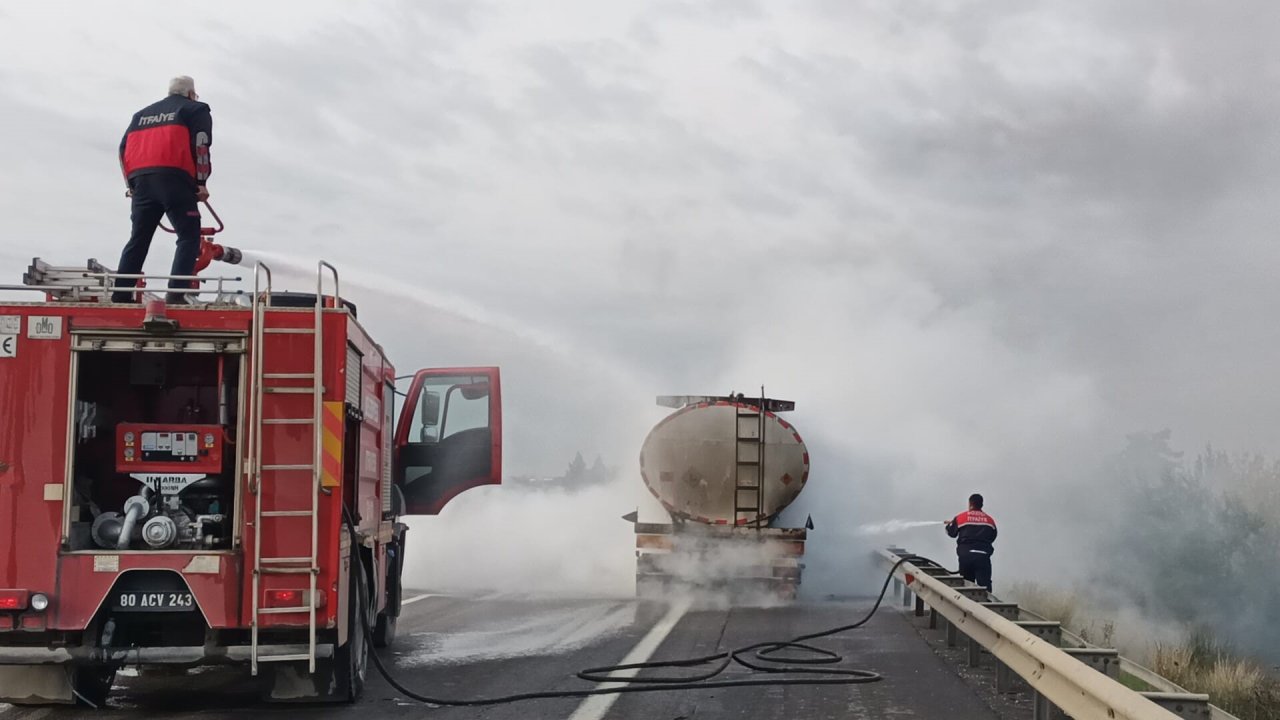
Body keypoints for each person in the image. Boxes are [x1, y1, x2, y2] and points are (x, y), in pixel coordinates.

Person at [112, 76, 212, 304]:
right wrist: (201, 182)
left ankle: (121, 294)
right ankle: (176, 295)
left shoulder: (140, 115)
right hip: (175, 179)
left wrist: (131, 186)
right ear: (190, 93)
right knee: (188, 236)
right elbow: (201, 144)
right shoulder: (195, 109)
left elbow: (122, 150)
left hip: (141, 183)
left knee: (139, 238)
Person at [945, 493, 997, 591]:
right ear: (982, 504)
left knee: (967, 587)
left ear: (970, 504)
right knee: (985, 588)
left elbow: (951, 533)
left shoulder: (961, 517)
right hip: (983, 557)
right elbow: (993, 537)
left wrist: (950, 525)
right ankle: (985, 605)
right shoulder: (990, 520)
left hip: (966, 556)